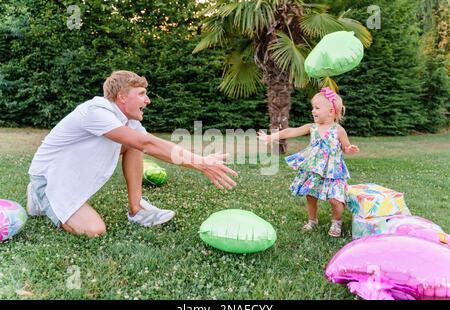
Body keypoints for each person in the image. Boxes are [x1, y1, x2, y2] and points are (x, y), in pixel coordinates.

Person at [27, 70, 238, 238]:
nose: (148, 101)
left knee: (133, 144)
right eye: (142, 94)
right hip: (50, 177)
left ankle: (137, 210)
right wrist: (201, 162)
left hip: (69, 173)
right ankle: (39, 195)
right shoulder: (96, 112)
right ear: (122, 97)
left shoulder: (129, 121)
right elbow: (147, 143)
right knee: (94, 230)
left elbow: (145, 144)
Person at [258, 87, 359, 237]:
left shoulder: (339, 130)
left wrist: (349, 149)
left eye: (317, 108)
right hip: (314, 169)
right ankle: (312, 220)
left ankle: (336, 222)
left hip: (333, 172)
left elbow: (345, 147)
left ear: (331, 111)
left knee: (335, 200)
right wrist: (271, 137)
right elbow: (290, 131)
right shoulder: (312, 128)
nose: (313, 111)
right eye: (313, 107)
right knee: (311, 196)